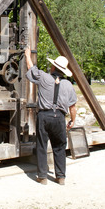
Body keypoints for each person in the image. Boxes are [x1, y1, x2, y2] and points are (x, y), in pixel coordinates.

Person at [25, 47, 77, 185]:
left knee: (42, 146)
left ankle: (42, 177)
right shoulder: (68, 85)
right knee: (59, 147)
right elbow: (72, 107)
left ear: (53, 66)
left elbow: (31, 69)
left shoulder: (44, 77)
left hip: (44, 116)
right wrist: (72, 120)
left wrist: (27, 56)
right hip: (59, 117)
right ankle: (60, 177)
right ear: (64, 70)